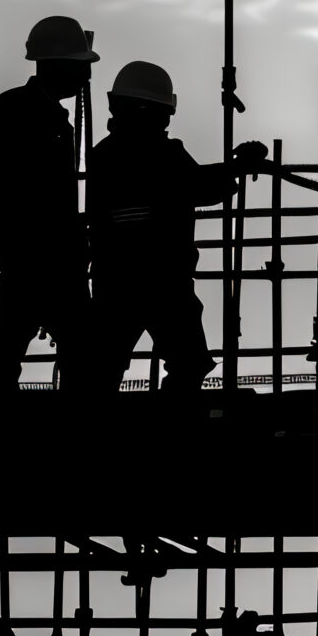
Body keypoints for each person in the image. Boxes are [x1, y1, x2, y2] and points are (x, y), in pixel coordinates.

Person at [81, 61, 267, 391]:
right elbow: (200, 187)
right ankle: (171, 427)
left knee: (102, 369)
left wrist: (231, 169)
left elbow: (190, 184)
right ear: (156, 112)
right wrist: (238, 167)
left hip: (116, 280)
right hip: (164, 282)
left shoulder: (104, 156)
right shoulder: (163, 155)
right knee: (188, 362)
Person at [0, 16, 99, 392]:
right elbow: (3, 188)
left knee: (14, 350)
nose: (86, 76)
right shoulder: (21, 111)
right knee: (63, 350)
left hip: (45, 254)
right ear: (58, 63)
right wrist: (13, 248)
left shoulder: (35, 111)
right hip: (39, 255)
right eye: (81, 66)